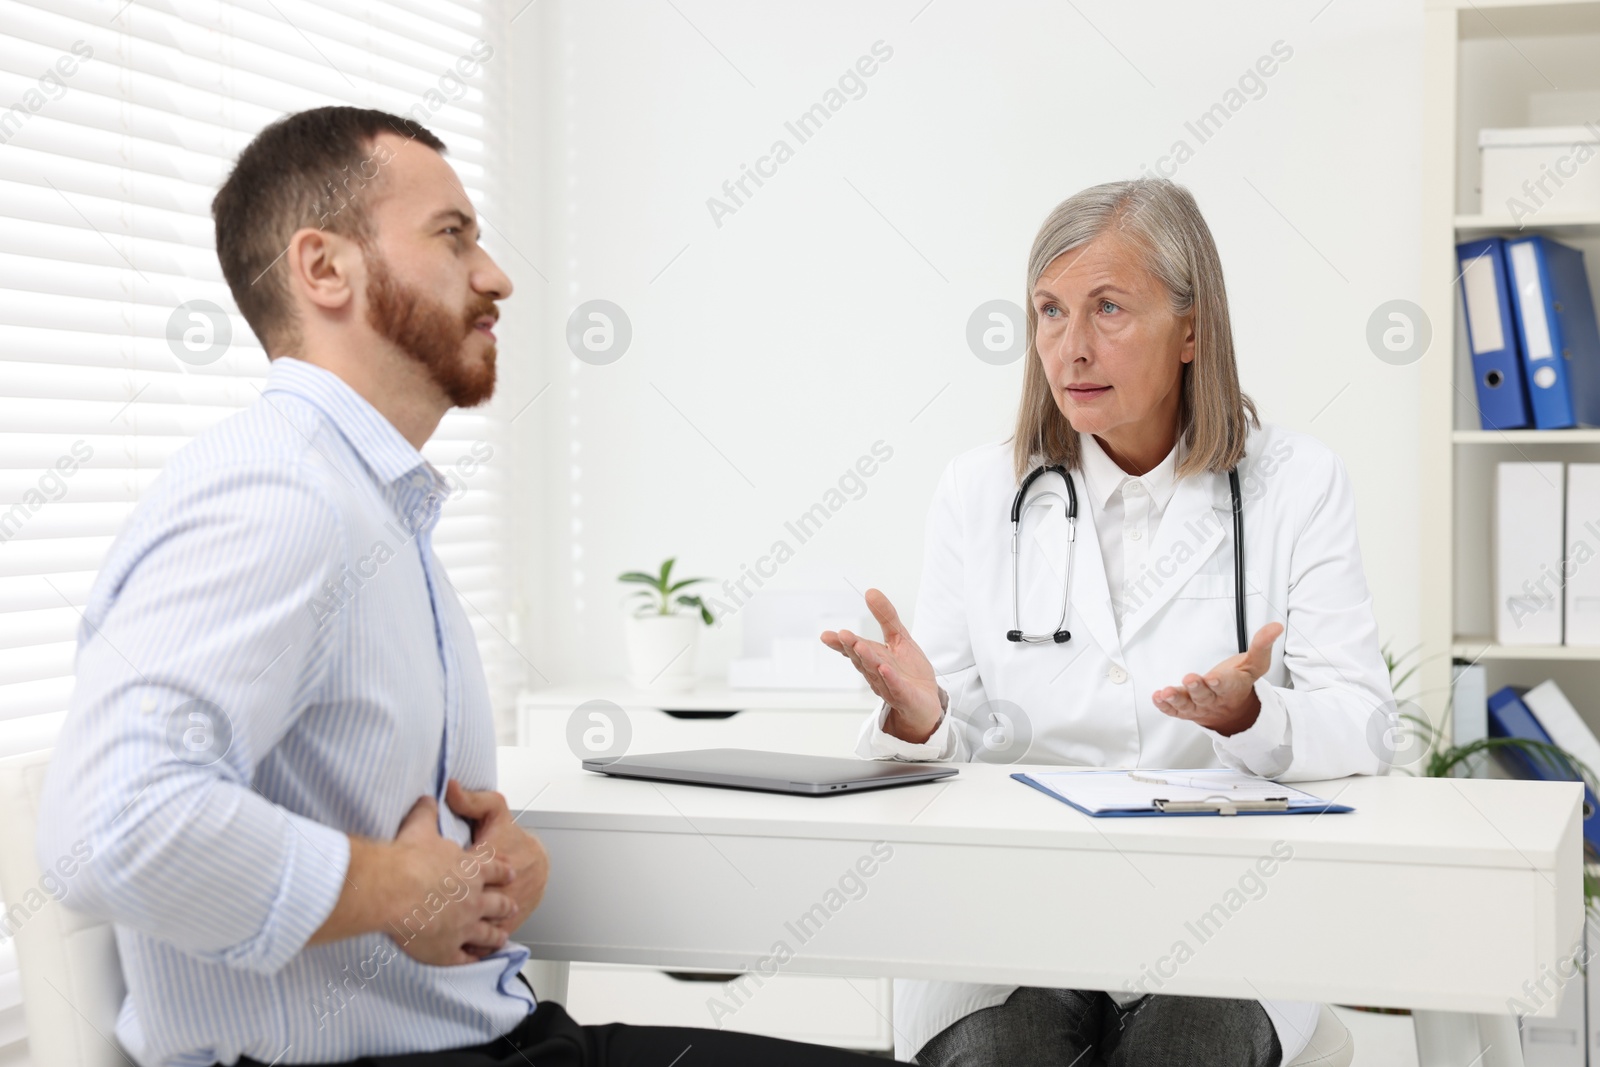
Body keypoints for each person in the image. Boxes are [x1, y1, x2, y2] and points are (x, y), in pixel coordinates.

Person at [36, 106, 885, 1067]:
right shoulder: (276, 493)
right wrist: (397, 887)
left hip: (496, 1035)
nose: (497, 276)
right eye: (454, 237)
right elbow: (109, 823)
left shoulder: (373, 507)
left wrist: (482, 865)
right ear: (324, 269)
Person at [821, 178, 1394, 1067]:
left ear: (1193, 327)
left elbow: (1361, 717)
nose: (1071, 347)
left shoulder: (1298, 483)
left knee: (1184, 1047)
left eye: (1109, 308)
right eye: (1049, 312)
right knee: (1001, 1053)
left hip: (1224, 911)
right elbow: (953, 742)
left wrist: (1254, 716)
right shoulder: (980, 492)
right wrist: (920, 719)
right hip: (1015, 915)